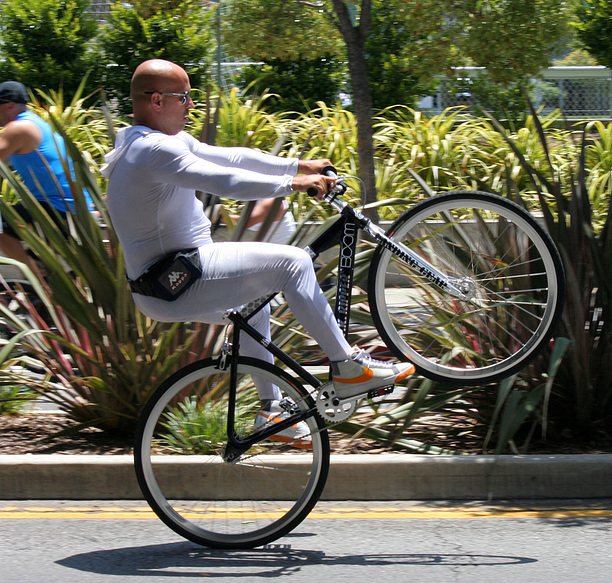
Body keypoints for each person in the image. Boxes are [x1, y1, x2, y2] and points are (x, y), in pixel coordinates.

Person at [102, 59, 414, 445]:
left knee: (257, 303)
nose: (191, 106)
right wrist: (296, 183)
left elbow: (232, 158)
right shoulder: (153, 151)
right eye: (184, 97)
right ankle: (348, 367)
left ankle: (270, 409)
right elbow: (227, 181)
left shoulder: (156, 142)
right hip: (175, 280)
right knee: (294, 262)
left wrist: (297, 164)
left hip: (167, 282)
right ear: (156, 101)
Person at [0, 80, 95, 277]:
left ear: (9, 104)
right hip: (75, 207)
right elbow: (6, 163)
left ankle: (37, 278)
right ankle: (51, 279)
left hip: (58, 208)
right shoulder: (37, 123)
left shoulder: (18, 128)